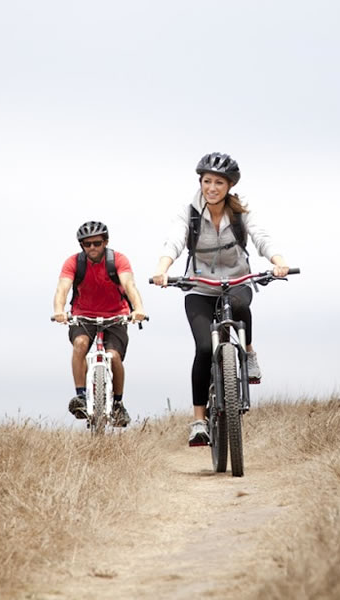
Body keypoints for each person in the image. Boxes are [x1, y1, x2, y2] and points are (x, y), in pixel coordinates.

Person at [151, 152, 290, 446]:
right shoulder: (188, 214)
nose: (211, 187)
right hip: (199, 287)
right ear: (200, 182)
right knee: (204, 348)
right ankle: (199, 421)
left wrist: (279, 261)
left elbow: (262, 237)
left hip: (236, 281)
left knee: (239, 305)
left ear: (229, 186)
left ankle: (248, 353)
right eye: (207, 181)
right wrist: (162, 269)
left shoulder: (239, 214)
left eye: (218, 182)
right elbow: (174, 240)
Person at [53, 221, 147, 427]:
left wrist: (138, 309)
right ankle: (80, 395)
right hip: (83, 315)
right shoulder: (73, 263)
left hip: (116, 316)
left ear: (105, 242)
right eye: (87, 244)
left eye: (96, 243)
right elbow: (62, 288)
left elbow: (129, 285)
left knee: (113, 357)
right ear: (82, 246)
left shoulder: (118, 260)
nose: (92, 248)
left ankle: (118, 404)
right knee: (80, 344)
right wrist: (59, 311)